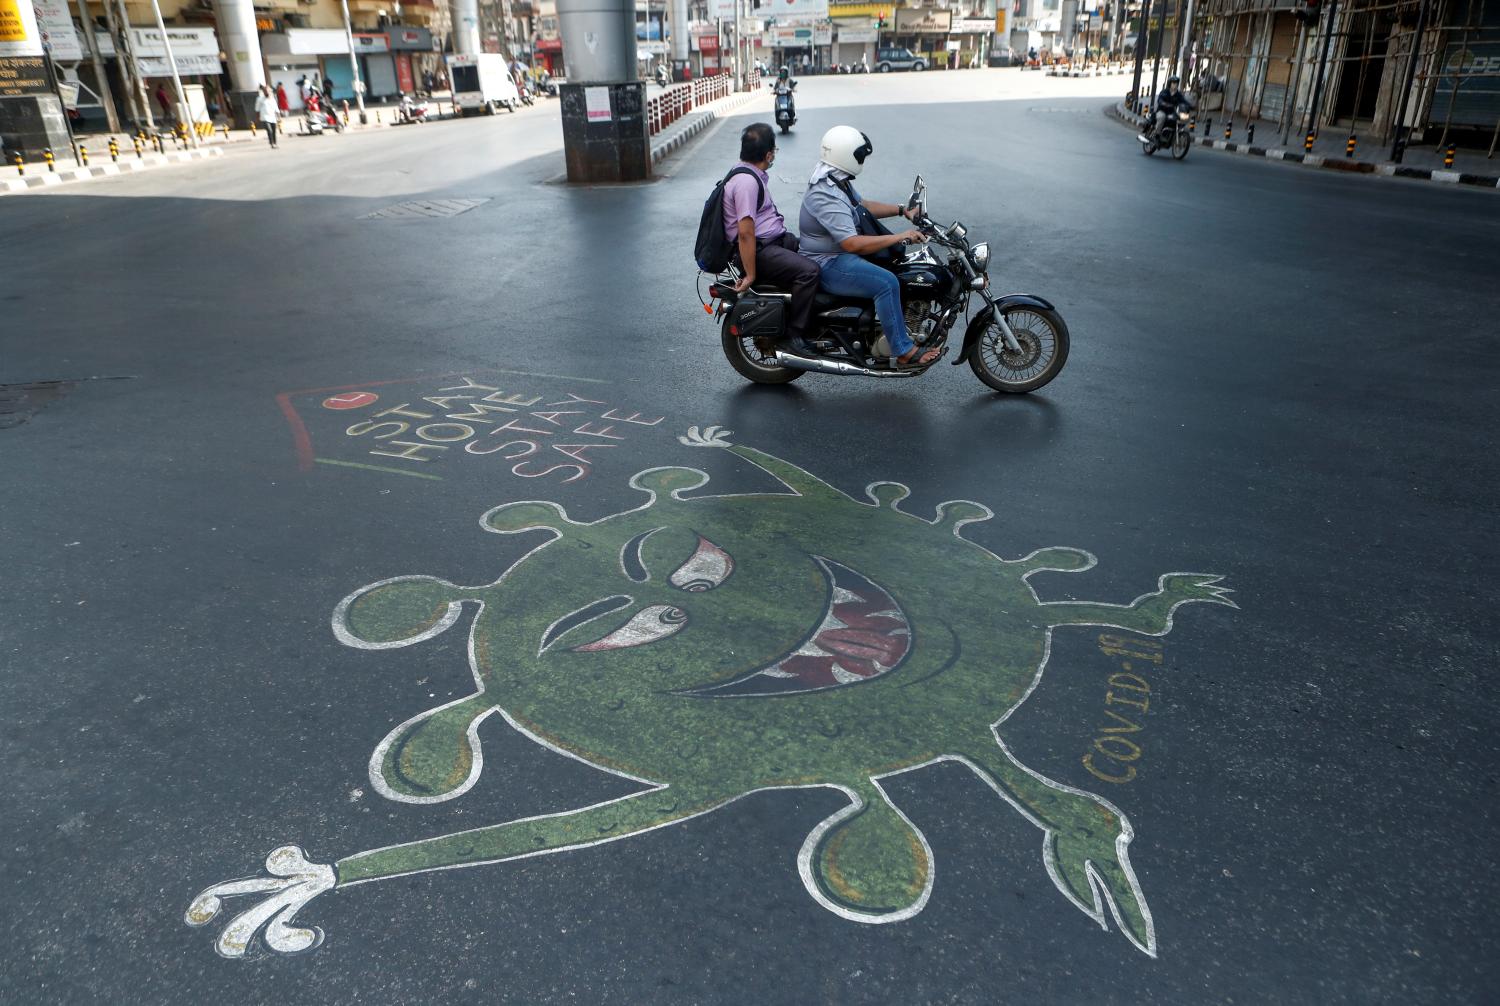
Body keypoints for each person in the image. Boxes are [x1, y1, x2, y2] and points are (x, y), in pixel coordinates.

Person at [798, 125, 938, 369]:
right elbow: (851, 243)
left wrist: (901, 210)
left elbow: (862, 206)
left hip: (838, 255)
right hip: (829, 262)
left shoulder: (836, 179)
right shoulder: (825, 192)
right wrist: (899, 237)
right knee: (886, 283)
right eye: (859, 155)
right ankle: (903, 350)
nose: (862, 160)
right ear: (845, 155)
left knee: (898, 268)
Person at [723, 122, 820, 353]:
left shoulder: (747, 173)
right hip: (760, 251)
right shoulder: (746, 182)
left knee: (818, 248)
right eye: (774, 151)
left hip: (773, 241)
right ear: (768, 154)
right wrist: (751, 273)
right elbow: (746, 233)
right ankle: (795, 337)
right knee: (809, 272)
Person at [1139, 75, 1192, 144]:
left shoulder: (1178, 94)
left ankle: (1171, 135)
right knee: (1162, 117)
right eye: (1173, 83)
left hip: (1172, 112)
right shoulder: (1165, 92)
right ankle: (1156, 135)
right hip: (1162, 111)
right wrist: (1164, 104)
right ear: (1170, 84)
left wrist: (1191, 106)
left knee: (1180, 118)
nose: (1175, 85)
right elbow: (1160, 100)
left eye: (1176, 83)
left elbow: (1184, 101)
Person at [254, 84, 280, 148]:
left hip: (273, 117)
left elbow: (276, 108)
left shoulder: (272, 99)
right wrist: (257, 118)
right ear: (263, 91)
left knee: (274, 131)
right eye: (265, 91)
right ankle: (272, 143)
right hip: (264, 117)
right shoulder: (259, 99)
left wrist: (279, 116)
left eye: (268, 91)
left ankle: (275, 143)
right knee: (269, 130)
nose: (267, 92)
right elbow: (257, 109)